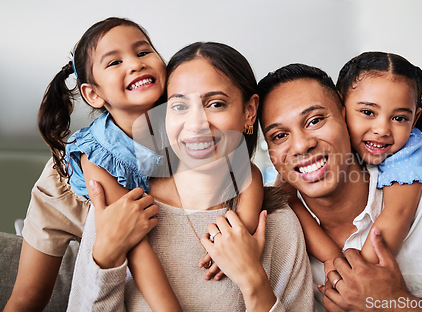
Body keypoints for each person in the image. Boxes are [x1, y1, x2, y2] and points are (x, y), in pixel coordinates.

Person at [67, 41, 315, 311]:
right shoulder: (121, 210)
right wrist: (107, 259)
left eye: (216, 104)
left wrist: (253, 281)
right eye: (179, 107)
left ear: (249, 112)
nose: (196, 124)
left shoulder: (277, 224)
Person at [257, 60, 422, 311]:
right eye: (279, 136)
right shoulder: (271, 234)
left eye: (315, 120)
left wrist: (398, 304)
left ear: (345, 115)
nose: (301, 145)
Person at [8, 17, 183, 311]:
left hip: (132, 196)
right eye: (115, 62)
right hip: (67, 196)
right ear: (94, 94)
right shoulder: (97, 154)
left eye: (143, 52)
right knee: (29, 297)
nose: (135, 64)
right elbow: (134, 244)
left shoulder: (181, 121)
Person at [276, 52, 422, 276]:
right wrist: (331, 257)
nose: (382, 130)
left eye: (400, 118)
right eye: (367, 112)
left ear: (414, 119)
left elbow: (397, 215)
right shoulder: (326, 149)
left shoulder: (405, 155)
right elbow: (284, 195)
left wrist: (358, 277)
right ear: (340, 108)